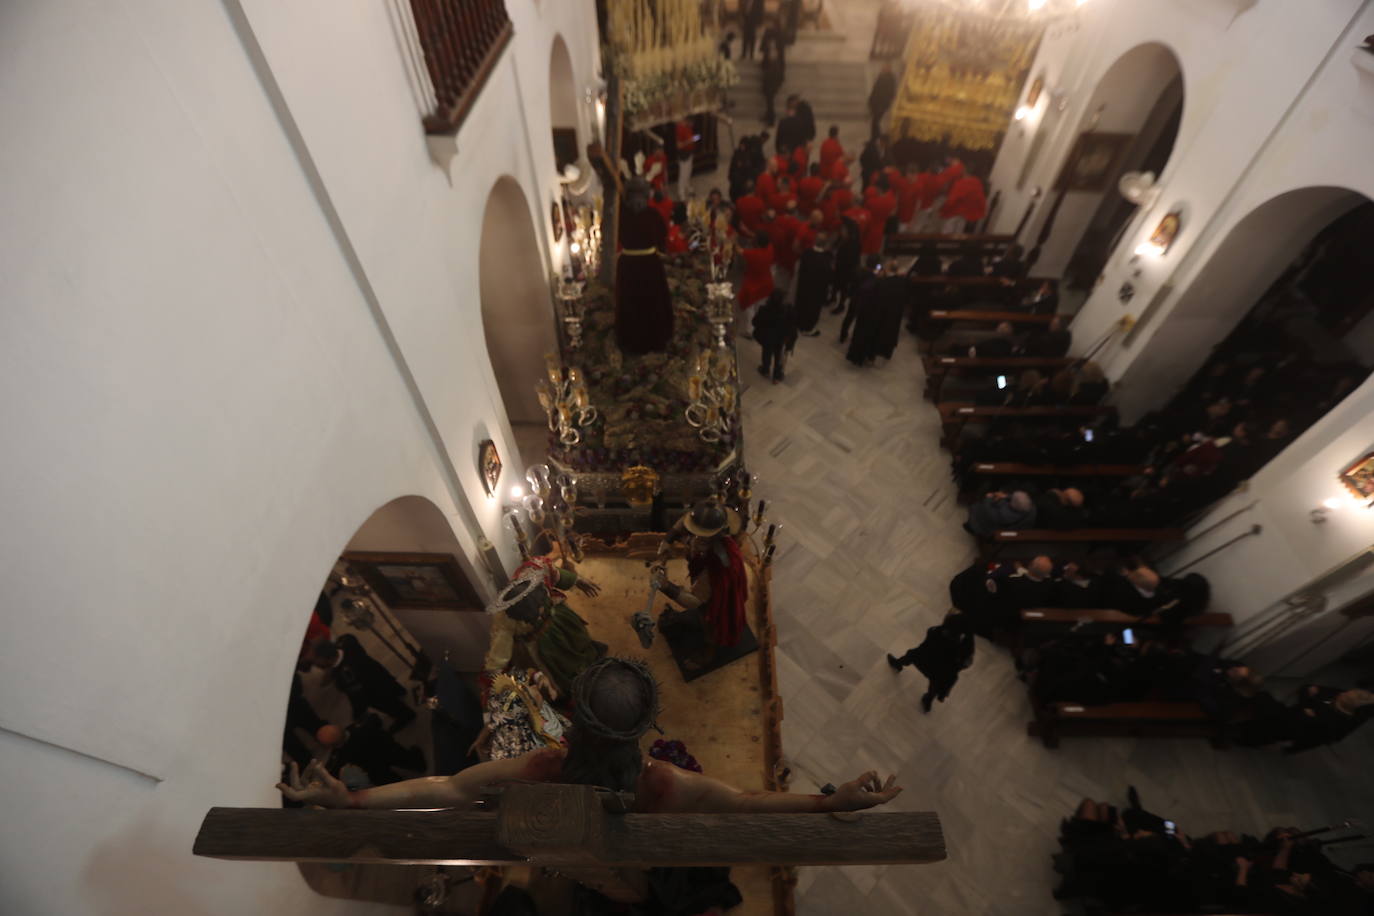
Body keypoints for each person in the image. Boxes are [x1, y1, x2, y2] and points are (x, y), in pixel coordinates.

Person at [279, 657, 903, 818]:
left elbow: (445, 785)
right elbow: (745, 803)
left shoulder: (540, 768)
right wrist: (827, 802)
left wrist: (355, 800)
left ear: (574, 721)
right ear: (641, 730)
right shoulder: (664, 782)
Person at [483, 555, 605, 699]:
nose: (541, 612)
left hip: (560, 619)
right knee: (562, 670)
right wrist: (518, 685)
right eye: (536, 615)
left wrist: (577, 580)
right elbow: (496, 663)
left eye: (542, 605)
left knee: (580, 643)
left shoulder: (535, 572)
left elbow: (554, 573)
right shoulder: (503, 622)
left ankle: (590, 661)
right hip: (543, 647)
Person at [652, 500, 750, 650]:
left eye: (700, 534)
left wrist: (666, 586)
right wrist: (667, 540)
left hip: (715, 596)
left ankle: (708, 651)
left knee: (710, 621)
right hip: (703, 573)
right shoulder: (712, 526)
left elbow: (695, 602)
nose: (695, 536)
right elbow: (684, 522)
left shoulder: (718, 563)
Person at [308, 634, 416, 733]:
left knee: (389, 704)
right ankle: (399, 691)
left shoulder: (342, 676)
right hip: (379, 673)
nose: (315, 664)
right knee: (390, 685)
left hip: (374, 693)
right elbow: (344, 639)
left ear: (326, 659)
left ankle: (405, 715)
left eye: (315, 660)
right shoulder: (348, 642)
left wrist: (357, 713)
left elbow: (357, 696)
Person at [614, 178, 674, 354]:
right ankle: (656, 339)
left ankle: (630, 341)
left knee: (630, 302)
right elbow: (662, 240)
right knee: (652, 301)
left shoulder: (620, 215)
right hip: (650, 265)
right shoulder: (653, 215)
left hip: (627, 265)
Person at [887, 610, 975, 713]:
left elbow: (926, 643)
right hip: (941, 673)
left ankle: (897, 664)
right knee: (934, 686)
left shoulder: (937, 632)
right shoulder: (967, 646)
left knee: (910, 655)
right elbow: (966, 664)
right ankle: (928, 700)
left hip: (924, 659)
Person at [318, 715, 426, 788]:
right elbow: (376, 720)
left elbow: (337, 769)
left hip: (374, 768)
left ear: (333, 746)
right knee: (405, 758)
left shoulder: (344, 757)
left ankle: (406, 788)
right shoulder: (362, 727)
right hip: (388, 748)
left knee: (390, 782)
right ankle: (419, 764)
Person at [794, 219, 831, 336]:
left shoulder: (807, 253)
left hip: (804, 287)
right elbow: (827, 278)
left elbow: (801, 270)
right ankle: (807, 328)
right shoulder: (826, 259)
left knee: (801, 305)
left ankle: (797, 323)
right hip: (816, 291)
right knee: (812, 310)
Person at [752, 291, 797, 383]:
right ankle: (777, 376)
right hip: (780, 339)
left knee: (766, 353)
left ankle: (765, 370)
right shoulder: (787, 311)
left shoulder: (764, 310)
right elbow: (791, 326)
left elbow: (754, 322)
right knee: (778, 356)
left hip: (767, 338)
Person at [738, 231, 775, 332]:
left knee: (749, 309)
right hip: (766, 284)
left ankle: (749, 330)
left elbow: (740, 251)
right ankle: (759, 327)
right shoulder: (770, 249)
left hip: (753, 285)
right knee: (760, 308)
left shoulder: (753, 254)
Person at [868, 62, 897, 139]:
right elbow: (875, 89)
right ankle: (876, 136)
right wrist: (871, 100)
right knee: (875, 120)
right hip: (876, 102)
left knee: (876, 120)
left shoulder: (890, 78)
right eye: (883, 67)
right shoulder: (881, 76)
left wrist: (887, 102)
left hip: (882, 103)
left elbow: (890, 92)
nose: (883, 69)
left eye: (885, 67)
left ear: (889, 68)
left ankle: (876, 136)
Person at [761, 39, 784, 126]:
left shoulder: (776, 63)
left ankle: (771, 120)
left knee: (770, 104)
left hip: (771, 86)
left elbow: (777, 76)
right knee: (769, 103)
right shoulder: (771, 59)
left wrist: (775, 86)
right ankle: (768, 117)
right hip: (769, 85)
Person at [674, 117, 697, 200]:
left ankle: (687, 187)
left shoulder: (688, 127)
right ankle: (681, 192)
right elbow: (679, 145)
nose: (692, 126)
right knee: (683, 174)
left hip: (690, 153)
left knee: (688, 171)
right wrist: (689, 141)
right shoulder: (680, 129)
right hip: (684, 155)